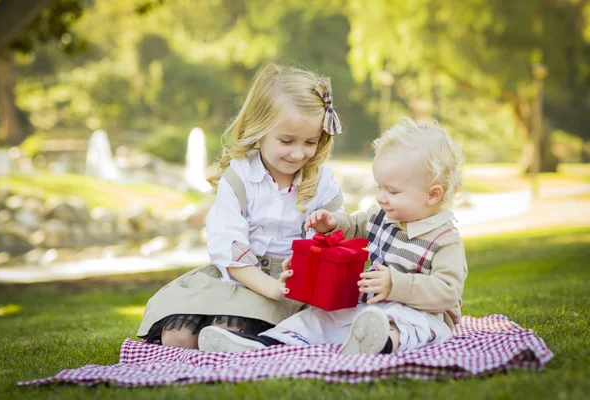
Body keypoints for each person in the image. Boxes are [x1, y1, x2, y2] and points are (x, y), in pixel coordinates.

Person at [197, 117, 468, 355]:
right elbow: (354, 225)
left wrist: (396, 285)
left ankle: (382, 343)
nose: (381, 198)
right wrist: (331, 222)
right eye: (380, 188)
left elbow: (447, 291)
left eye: (393, 191)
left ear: (433, 194)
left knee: (405, 324)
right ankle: (269, 343)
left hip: (423, 315)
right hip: (371, 308)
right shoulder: (385, 217)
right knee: (319, 317)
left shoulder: (443, 238)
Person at [136, 63, 345, 349]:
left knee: (228, 331)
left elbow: (331, 242)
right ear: (259, 131)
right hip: (241, 275)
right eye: (287, 140)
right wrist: (269, 286)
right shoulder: (241, 177)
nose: (299, 153)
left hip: (292, 285)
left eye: (310, 142)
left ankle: (245, 348)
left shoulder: (322, 184)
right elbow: (228, 243)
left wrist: (298, 271)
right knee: (177, 337)